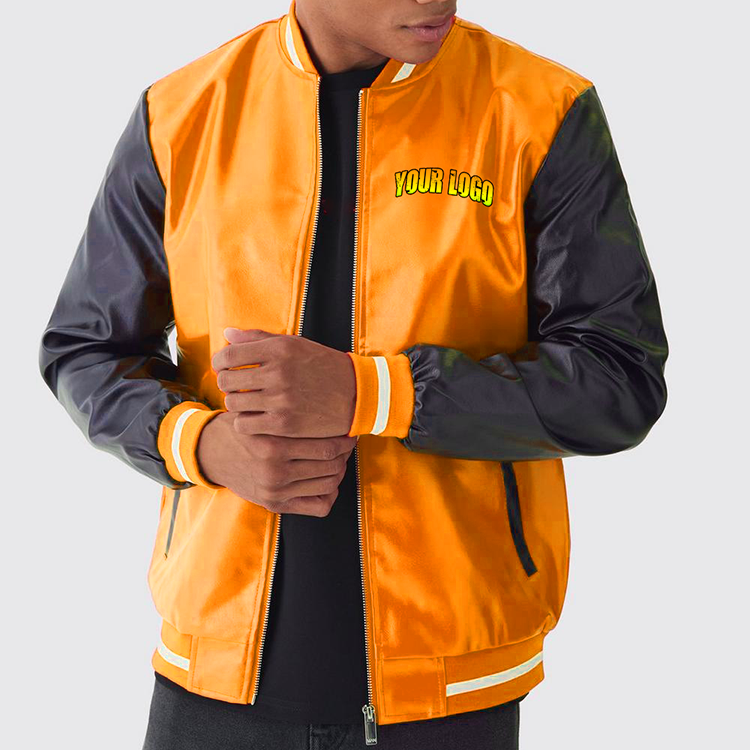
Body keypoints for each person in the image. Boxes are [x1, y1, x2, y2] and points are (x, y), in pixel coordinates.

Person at [38, 0, 669, 748]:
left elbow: (618, 377)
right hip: (211, 674)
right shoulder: (180, 113)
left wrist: (374, 394)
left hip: (449, 687)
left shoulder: (539, 109)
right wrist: (200, 445)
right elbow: (86, 347)